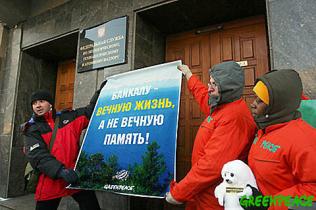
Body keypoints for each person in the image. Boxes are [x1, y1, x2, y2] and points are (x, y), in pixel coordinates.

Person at [165, 61, 257, 210]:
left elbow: (211, 165)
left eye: (214, 84)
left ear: (227, 88)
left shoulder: (235, 117)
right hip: (202, 192)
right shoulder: (221, 105)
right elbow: (202, 95)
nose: (209, 87)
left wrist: (179, 193)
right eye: (210, 82)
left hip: (214, 197)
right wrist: (188, 74)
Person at [22, 81, 106, 210]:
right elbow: (38, 156)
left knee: (91, 206)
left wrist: (100, 93)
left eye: (41, 101)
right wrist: (60, 171)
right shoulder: (31, 129)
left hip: (74, 176)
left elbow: (90, 112)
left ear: (50, 103)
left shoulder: (69, 117)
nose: (37, 106)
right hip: (51, 179)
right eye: (34, 103)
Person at [247, 69, 316, 209]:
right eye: (255, 97)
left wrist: (268, 205)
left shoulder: (304, 140)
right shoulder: (264, 129)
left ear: (276, 106)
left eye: (260, 101)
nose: (253, 104)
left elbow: (312, 193)